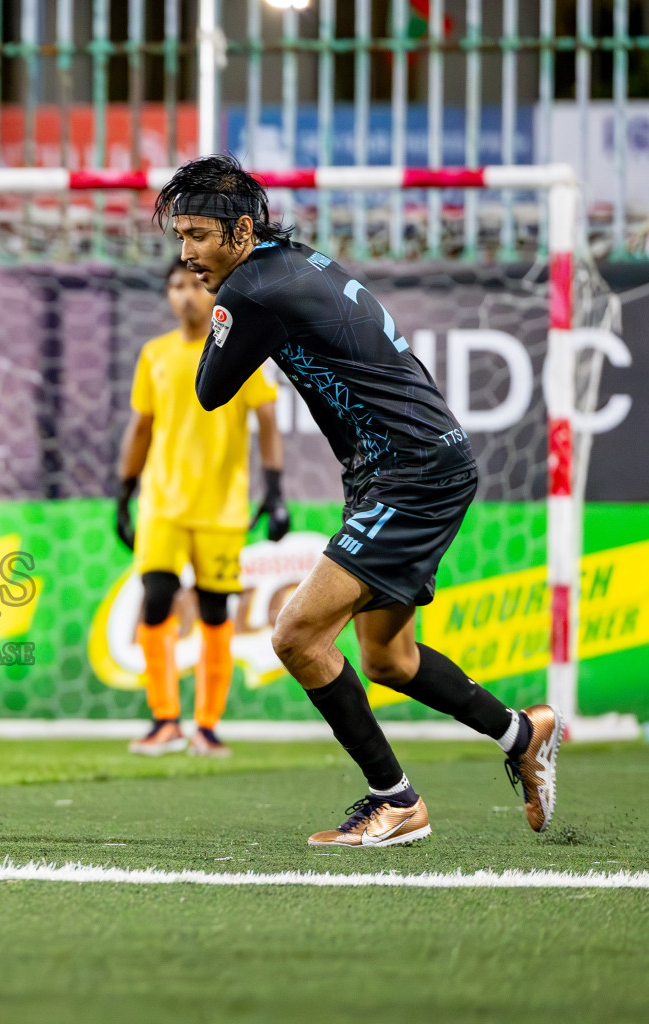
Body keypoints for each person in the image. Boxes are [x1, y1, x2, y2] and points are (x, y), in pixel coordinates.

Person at [154, 154, 558, 847]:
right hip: (406, 466)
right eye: (180, 239)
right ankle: (521, 732)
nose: (187, 256)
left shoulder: (249, 289)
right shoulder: (291, 259)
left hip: (410, 470)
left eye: (197, 236)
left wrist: (217, 313)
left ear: (242, 230)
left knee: (295, 633)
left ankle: (394, 800)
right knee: (387, 660)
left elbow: (210, 390)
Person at [116, 258, 287, 758]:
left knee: (215, 613)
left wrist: (274, 490)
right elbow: (141, 426)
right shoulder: (155, 355)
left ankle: (207, 725)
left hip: (221, 508)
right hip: (162, 505)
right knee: (156, 602)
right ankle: (164, 719)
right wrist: (123, 491)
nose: (187, 294)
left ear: (211, 291)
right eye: (176, 285)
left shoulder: (240, 352)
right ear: (167, 295)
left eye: (195, 284)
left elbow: (269, 420)